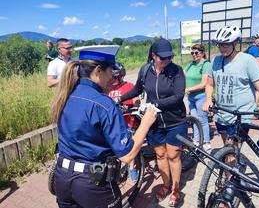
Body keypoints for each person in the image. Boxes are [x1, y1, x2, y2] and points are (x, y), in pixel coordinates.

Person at [51, 45, 157, 208]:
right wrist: (146, 123)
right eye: (110, 73)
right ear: (98, 71)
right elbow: (127, 155)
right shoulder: (103, 104)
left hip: (62, 178)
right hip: (92, 183)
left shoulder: (66, 94)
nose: (113, 79)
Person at [117, 38, 187, 206]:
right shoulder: (145, 70)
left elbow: (178, 96)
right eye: (163, 57)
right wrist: (121, 99)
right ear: (153, 55)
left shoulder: (176, 71)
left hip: (174, 121)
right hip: (154, 122)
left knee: (173, 155)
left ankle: (176, 191)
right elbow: (137, 89)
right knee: (160, 155)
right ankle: (166, 185)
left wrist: (157, 104)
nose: (167, 60)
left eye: (169, 57)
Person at [203, 26, 259, 147]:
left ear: (235, 43)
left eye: (226, 45)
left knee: (232, 149)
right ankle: (234, 162)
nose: (222, 49)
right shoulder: (215, 61)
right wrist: (208, 99)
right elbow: (209, 84)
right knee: (227, 148)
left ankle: (235, 163)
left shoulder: (248, 61)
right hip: (222, 114)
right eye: (220, 45)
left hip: (241, 116)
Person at [108, 62, 140, 182]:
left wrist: (135, 103)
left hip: (128, 121)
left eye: (117, 77)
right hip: (113, 122)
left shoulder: (129, 86)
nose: (115, 80)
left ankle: (131, 168)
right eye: (113, 77)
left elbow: (136, 99)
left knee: (128, 144)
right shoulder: (108, 87)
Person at [185, 44, 211, 151]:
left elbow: (204, 83)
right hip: (191, 97)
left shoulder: (205, 64)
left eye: (196, 53)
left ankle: (206, 141)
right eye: (192, 53)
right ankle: (196, 140)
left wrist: (187, 89)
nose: (194, 55)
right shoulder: (190, 64)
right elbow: (183, 75)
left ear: (202, 53)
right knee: (194, 119)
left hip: (201, 96)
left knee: (203, 119)